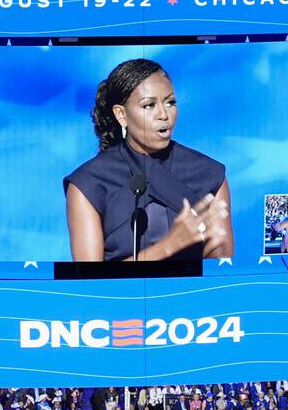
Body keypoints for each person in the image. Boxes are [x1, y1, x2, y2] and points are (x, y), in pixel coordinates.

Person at [64, 58, 232, 261]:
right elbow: (89, 282)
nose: (164, 114)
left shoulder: (208, 174)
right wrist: (170, 245)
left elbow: (222, 267)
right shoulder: (88, 184)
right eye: (149, 105)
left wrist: (214, 245)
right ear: (121, 115)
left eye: (170, 102)